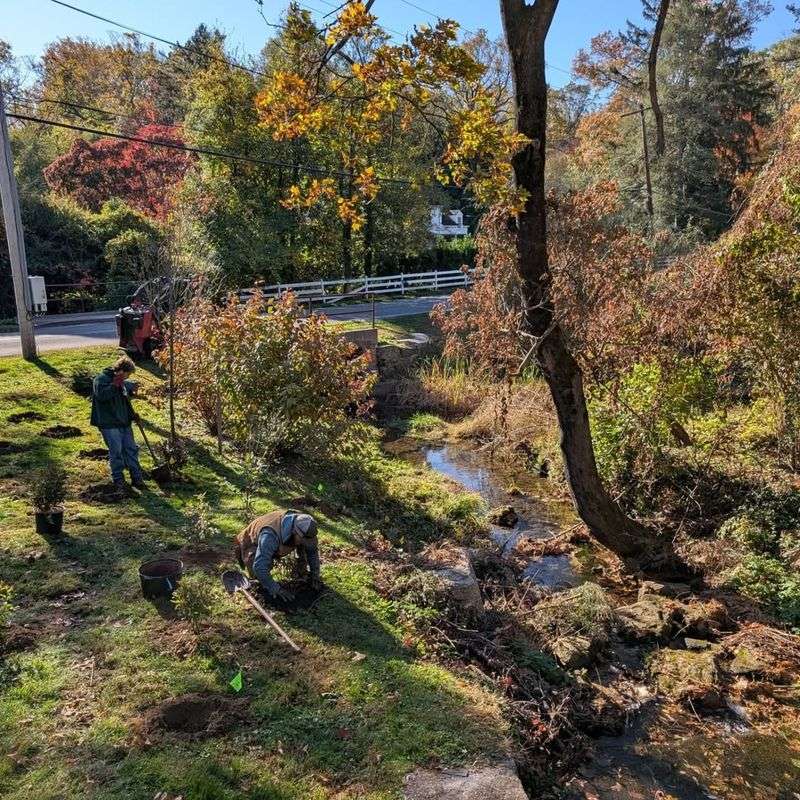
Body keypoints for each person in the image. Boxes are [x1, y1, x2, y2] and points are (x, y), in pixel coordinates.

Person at [235, 509, 321, 601]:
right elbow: (259, 567)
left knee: (304, 549)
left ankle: (301, 576)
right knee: (261, 569)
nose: (307, 543)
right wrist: (277, 589)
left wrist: (315, 575)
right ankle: (260, 586)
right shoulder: (270, 536)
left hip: (278, 539)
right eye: (303, 540)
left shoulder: (305, 523)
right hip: (251, 542)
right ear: (295, 532)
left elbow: (312, 553)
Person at [90, 355, 145, 494]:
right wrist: (115, 384)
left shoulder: (122, 382)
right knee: (117, 452)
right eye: (127, 375)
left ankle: (137, 478)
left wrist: (133, 415)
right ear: (121, 370)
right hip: (109, 423)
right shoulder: (101, 379)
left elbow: (125, 400)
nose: (127, 378)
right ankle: (119, 480)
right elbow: (102, 396)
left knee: (131, 449)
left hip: (124, 421)